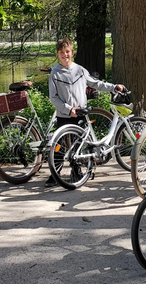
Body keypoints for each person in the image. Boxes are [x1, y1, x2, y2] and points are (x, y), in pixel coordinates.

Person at [47, 38, 124, 186]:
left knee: (78, 145)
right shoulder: (55, 74)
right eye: (62, 53)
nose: (65, 55)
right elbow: (53, 98)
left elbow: (96, 84)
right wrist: (69, 110)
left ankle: (76, 171)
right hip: (64, 115)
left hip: (81, 113)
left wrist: (113, 87)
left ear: (72, 53)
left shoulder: (80, 70)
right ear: (58, 55)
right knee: (58, 145)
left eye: (67, 52)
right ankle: (55, 174)